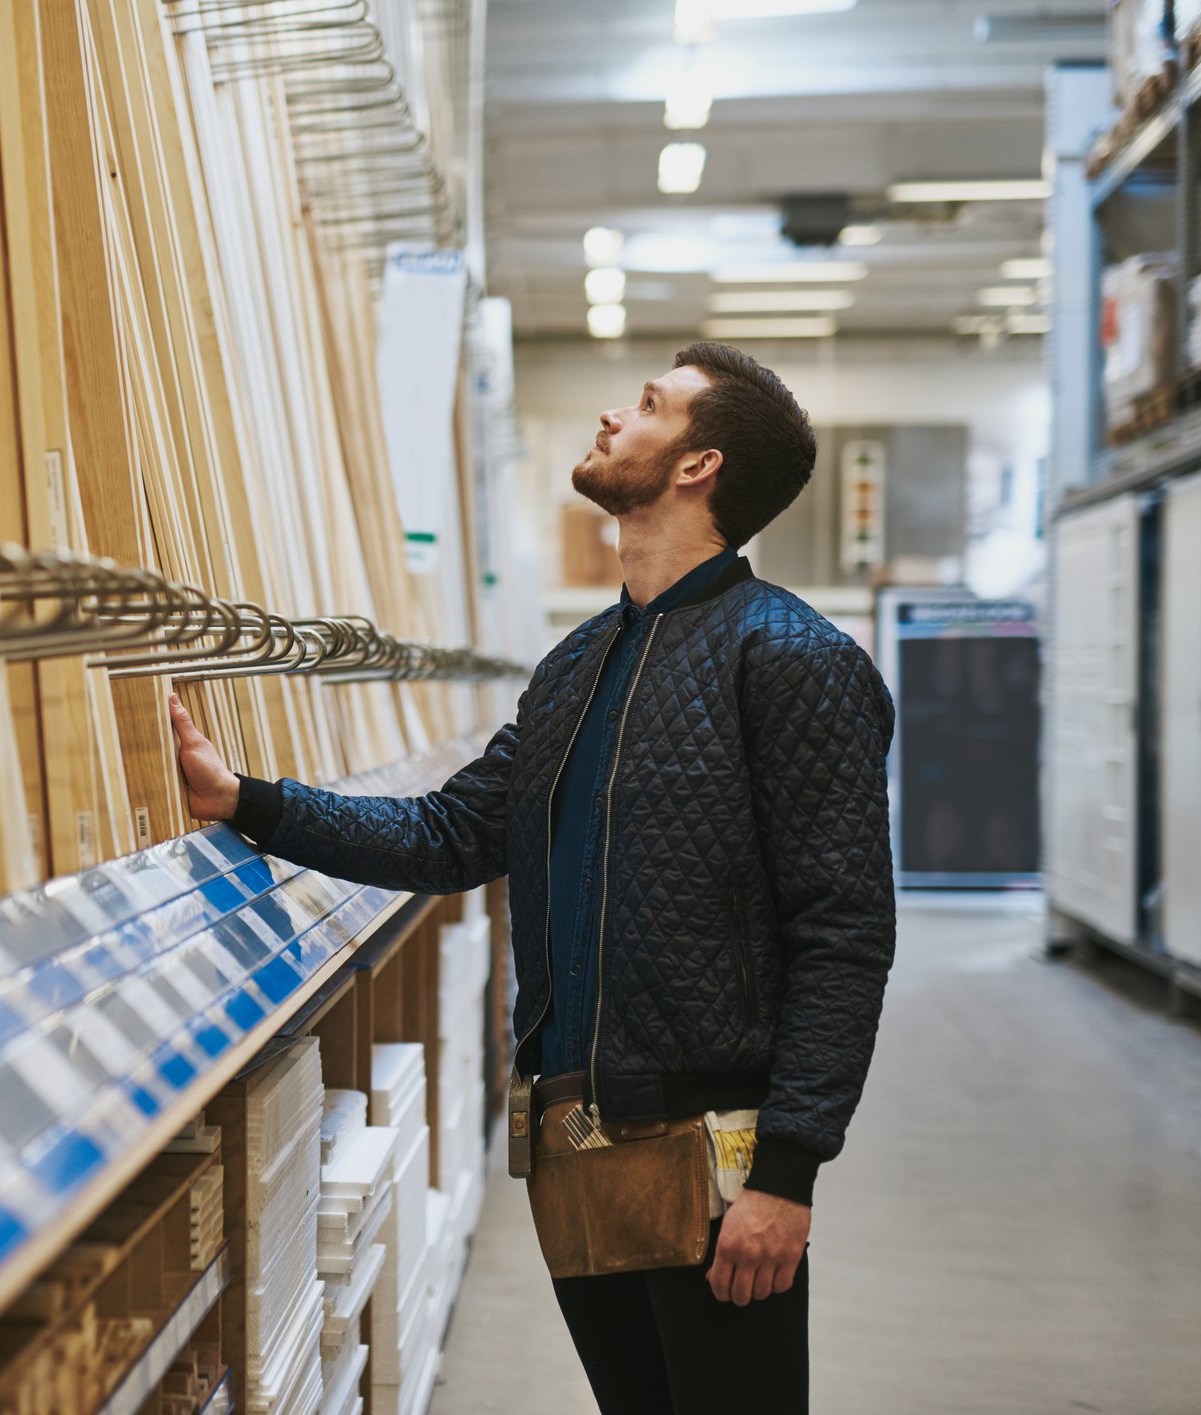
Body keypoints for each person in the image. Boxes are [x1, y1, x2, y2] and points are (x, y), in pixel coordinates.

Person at [167, 342, 894, 1415]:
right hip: (575, 1134)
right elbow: (453, 833)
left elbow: (842, 929)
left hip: (711, 1151)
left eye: (646, 405)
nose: (610, 415)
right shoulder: (577, 664)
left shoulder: (791, 658)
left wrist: (786, 1172)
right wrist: (250, 801)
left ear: (697, 464)